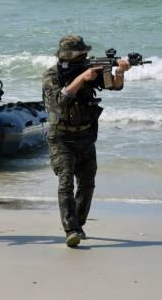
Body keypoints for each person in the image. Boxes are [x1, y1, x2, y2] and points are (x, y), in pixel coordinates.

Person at [42, 35, 131, 248]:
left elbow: (113, 86)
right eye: (80, 55)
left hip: (86, 135)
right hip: (61, 137)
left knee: (88, 183)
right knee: (66, 182)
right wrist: (82, 77)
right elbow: (59, 100)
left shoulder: (87, 70)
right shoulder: (51, 75)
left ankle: (79, 225)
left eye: (84, 55)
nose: (84, 57)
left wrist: (119, 71)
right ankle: (71, 229)